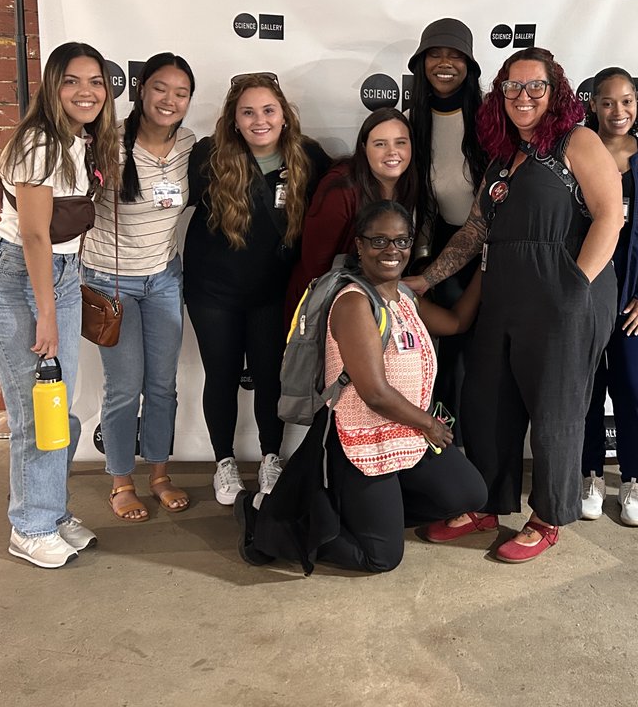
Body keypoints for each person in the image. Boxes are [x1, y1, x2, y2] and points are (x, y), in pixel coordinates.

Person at [407, 46, 623, 563]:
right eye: (512, 87)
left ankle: (548, 517)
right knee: (487, 405)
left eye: (534, 87)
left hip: (565, 295)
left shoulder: (577, 140)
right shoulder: (505, 157)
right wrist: (425, 279)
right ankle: (485, 503)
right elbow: (477, 229)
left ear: (555, 92)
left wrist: (576, 287)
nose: (523, 97)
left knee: (555, 411)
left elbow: (610, 215)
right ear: (499, 95)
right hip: (504, 296)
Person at [235, 201, 486, 573]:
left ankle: (371, 517)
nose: (392, 250)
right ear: (360, 246)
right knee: (381, 557)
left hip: (405, 432)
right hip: (361, 437)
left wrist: (487, 264)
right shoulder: (354, 302)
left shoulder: (403, 297)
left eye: (401, 241)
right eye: (379, 240)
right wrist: (430, 425)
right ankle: (270, 520)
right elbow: (374, 393)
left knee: (469, 494)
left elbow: (456, 322)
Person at [0, 41, 119, 568]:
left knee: (60, 409)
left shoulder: (81, 141)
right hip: (18, 282)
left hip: (61, 277)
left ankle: (50, 512)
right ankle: (29, 526)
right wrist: (48, 314)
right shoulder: (40, 142)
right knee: (35, 412)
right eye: (72, 81)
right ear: (52, 87)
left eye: (96, 81)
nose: (87, 91)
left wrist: (2, 186)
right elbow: (33, 235)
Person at [184, 73, 330, 506]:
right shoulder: (207, 156)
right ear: (234, 119)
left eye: (268, 110)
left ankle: (271, 457)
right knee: (222, 376)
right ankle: (224, 462)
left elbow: (348, 196)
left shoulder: (308, 158)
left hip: (274, 292)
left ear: (284, 115)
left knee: (271, 378)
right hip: (213, 291)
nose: (259, 120)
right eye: (247, 112)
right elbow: (151, 193)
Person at [81, 53, 197, 522]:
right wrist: (1, 186)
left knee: (163, 385)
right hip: (111, 283)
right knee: (125, 387)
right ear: (140, 90)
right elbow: (52, 176)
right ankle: (121, 480)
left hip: (164, 277)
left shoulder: (189, 143)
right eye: (160, 88)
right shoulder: (106, 143)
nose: (169, 100)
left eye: (181, 92)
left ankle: (160, 475)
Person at [579, 67, 638, 527]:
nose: (619, 111)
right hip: (588, 300)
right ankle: (591, 475)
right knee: (588, 390)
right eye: (608, 101)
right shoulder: (575, 153)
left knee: (635, 389)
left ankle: (632, 481)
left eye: (628, 101)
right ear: (593, 104)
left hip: (636, 302)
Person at [405, 18, 487, 424]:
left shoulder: (490, 116)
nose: (444, 63)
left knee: (482, 351)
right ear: (421, 63)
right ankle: (447, 438)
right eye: (435, 54)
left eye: (455, 55)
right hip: (438, 243)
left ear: (469, 66)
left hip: (490, 243)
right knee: (448, 350)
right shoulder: (411, 118)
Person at [284, 107, 420, 319]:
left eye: (400, 142)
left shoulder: (410, 185)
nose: (392, 152)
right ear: (364, 148)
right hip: (323, 305)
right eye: (380, 144)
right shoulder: (341, 189)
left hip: (372, 303)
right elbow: (315, 266)